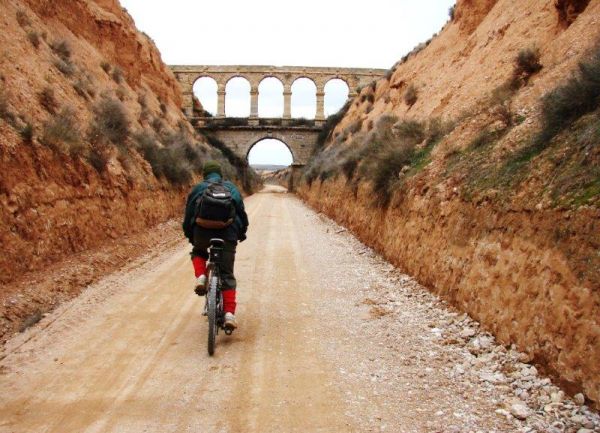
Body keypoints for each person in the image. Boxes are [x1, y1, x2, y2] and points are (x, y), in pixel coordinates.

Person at [182, 161, 249, 330]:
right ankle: (229, 314)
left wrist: (191, 236)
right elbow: (241, 213)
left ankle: (201, 277)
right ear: (220, 174)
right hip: (228, 233)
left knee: (198, 251)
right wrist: (241, 233)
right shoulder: (231, 188)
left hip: (202, 232)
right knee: (227, 274)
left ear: (204, 174)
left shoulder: (198, 189)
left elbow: (189, 215)